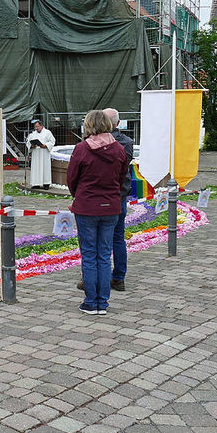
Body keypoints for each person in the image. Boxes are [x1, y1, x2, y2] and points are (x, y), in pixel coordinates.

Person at [67, 110, 129, 315]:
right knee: (104, 255)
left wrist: (80, 195)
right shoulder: (119, 149)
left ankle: (91, 301)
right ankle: (102, 302)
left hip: (87, 207)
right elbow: (121, 178)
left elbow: (72, 179)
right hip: (111, 206)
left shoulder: (81, 149)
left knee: (89, 254)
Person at [104, 108, 134, 291]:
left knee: (100, 239)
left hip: (102, 196)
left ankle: (99, 276)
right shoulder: (127, 142)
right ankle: (119, 277)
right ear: (118, 122)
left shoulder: (92, 143)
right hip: (120, 194)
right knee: (118, 238)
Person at [27, 119, 55, 189]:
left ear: (41, 126)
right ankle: (36, 183)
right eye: (35, 127)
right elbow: (28, 142)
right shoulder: (33, 134)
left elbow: (52, 141)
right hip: (36, 153)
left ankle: (46, 184)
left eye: (38, 126)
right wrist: (31, 145)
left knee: (45, 167)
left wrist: (45, 145)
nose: (36, 128)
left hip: (44, 153)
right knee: (36, 168)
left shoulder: (47, 132)